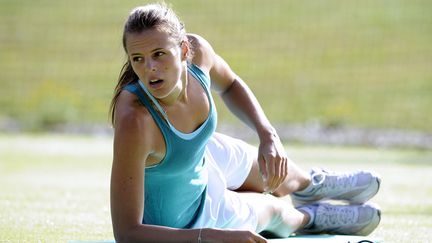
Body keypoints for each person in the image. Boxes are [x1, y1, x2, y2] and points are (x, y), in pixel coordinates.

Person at [109, 3, 381, 243]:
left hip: (202, 154)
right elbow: (127, 233)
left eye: (159, 54)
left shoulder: (199, 53)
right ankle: (311, 217)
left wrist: (267, 134)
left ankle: (311, 185)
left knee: (274, 170)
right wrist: (209, 236)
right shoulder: (135, 121)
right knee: (275, 212)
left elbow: (230, 84)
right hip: (191, 219)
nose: (150, 69)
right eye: (138, 59)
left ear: (182, 50)